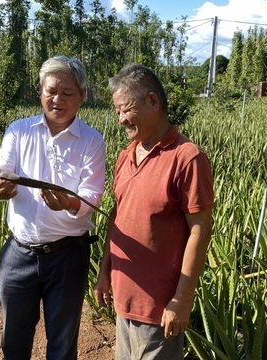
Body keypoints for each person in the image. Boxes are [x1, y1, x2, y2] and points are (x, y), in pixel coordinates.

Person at [0, 55, 106, 360]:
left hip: (68, 256)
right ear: (40, 90)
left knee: (62, 345)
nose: (58, 99)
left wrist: (68, 202)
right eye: (51, 91)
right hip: (19, 253)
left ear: (82, 95)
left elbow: (92, 197)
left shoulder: (92, 141)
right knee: (13, 341)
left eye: (67, 93)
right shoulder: (19, 130)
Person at [94, 64, 214, 359]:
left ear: (152, 101)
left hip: (160, 308)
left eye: (125, 110)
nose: (120, 119)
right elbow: (118, 215)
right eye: (117, 111)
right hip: (124, 299)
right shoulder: (126, 155)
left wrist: (182, 300)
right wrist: (105, 269)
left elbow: (200, 229)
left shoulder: (188, 158)